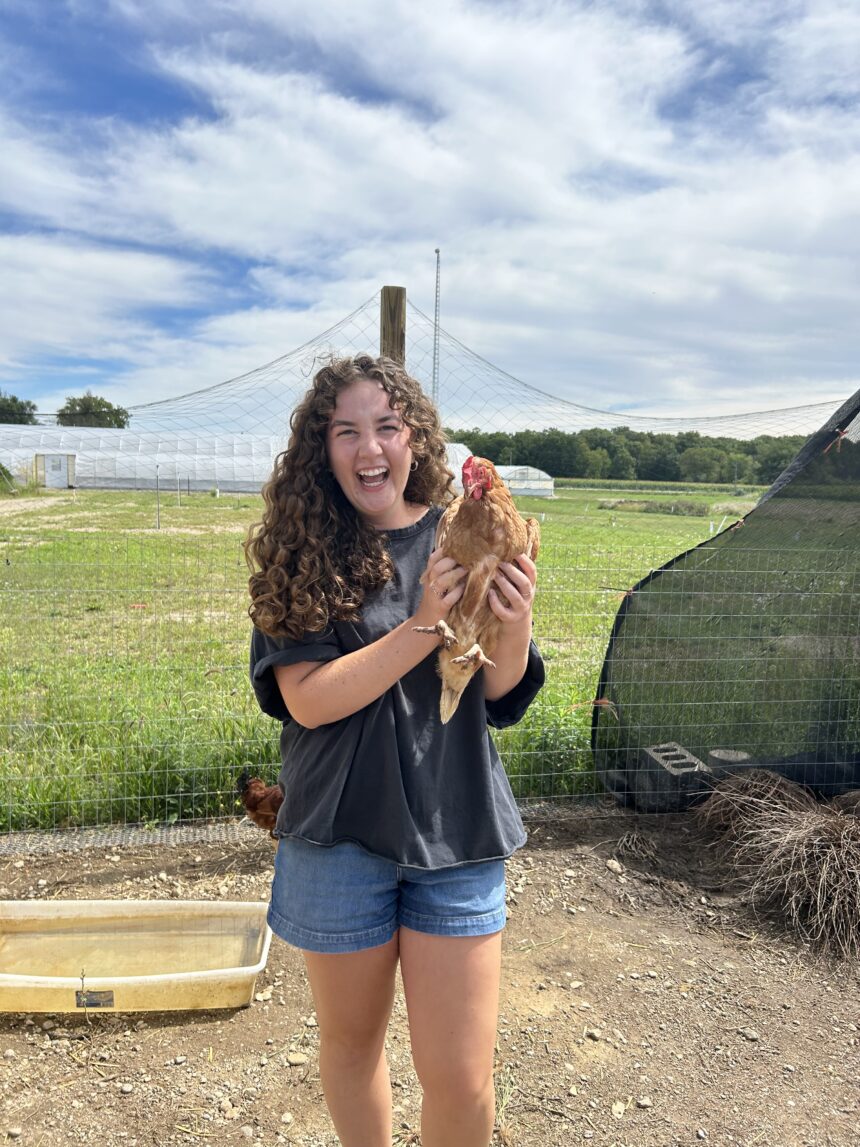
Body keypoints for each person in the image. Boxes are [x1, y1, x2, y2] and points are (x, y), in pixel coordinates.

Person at [245, 353, 544, 1147]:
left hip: (459, 828)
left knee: (463, 1074)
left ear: (413, 438)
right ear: (322, 447)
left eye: (386, 425)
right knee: (351, 1046)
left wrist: (511, 625)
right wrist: (422, 626)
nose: (368, 447)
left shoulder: (458, 533)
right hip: (341, 832)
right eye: (346, 430)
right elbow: (309, 698)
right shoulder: (301, 548)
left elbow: (499, 695)